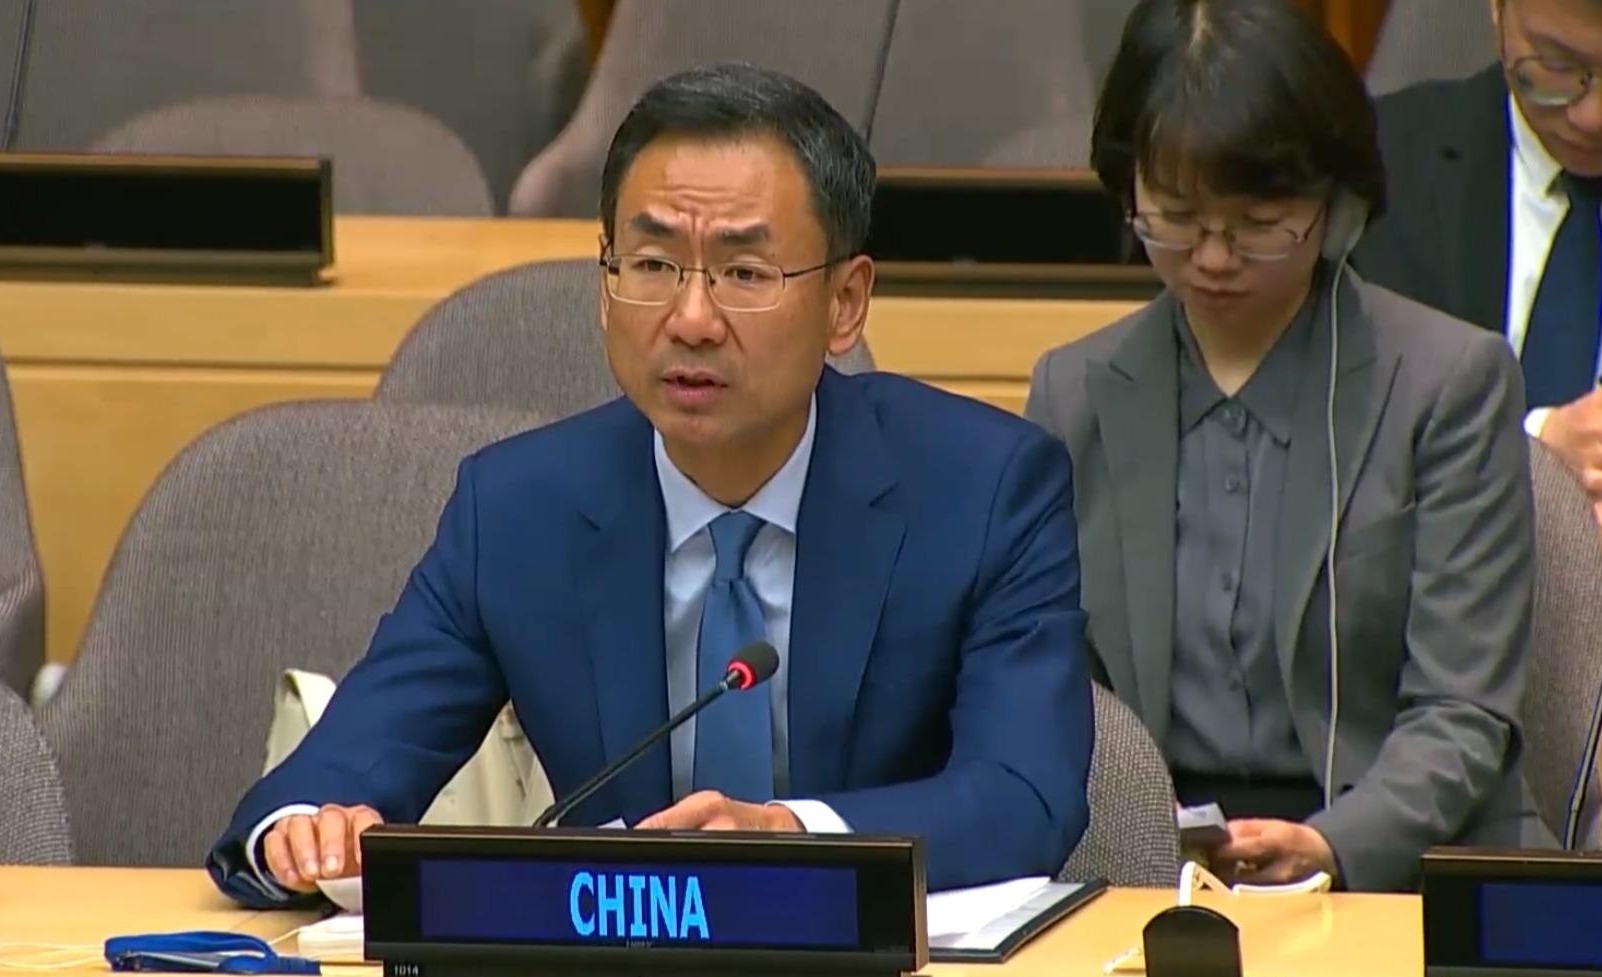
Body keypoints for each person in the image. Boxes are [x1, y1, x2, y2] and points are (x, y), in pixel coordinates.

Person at [208, 62, 1094, 907]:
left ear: (845, 303)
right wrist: (306, 830)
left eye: (745, 273)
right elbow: (350, 760)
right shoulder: (516, 509)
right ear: (605, 286)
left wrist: (791, 834)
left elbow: (1025, 795)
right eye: (653, 265)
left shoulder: (983, 490)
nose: (692, 318)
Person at [1028, 0, 1541, 892]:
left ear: (1337, 209)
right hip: (1152, 870)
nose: (1213, 257)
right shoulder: (1073, 393)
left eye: (1259, 221)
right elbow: (1050, 688)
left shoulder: (1449, 383)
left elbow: (1462, 711)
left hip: (1400, 865)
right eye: (1176, 217)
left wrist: (1334, 844)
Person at [1353, 0, 1602, 630]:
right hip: (1418, 639)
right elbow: (1318, 438)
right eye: (1555, 68)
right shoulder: (1373, 168)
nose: (1595, 115)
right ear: (1497, 10)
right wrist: (1526, 455)